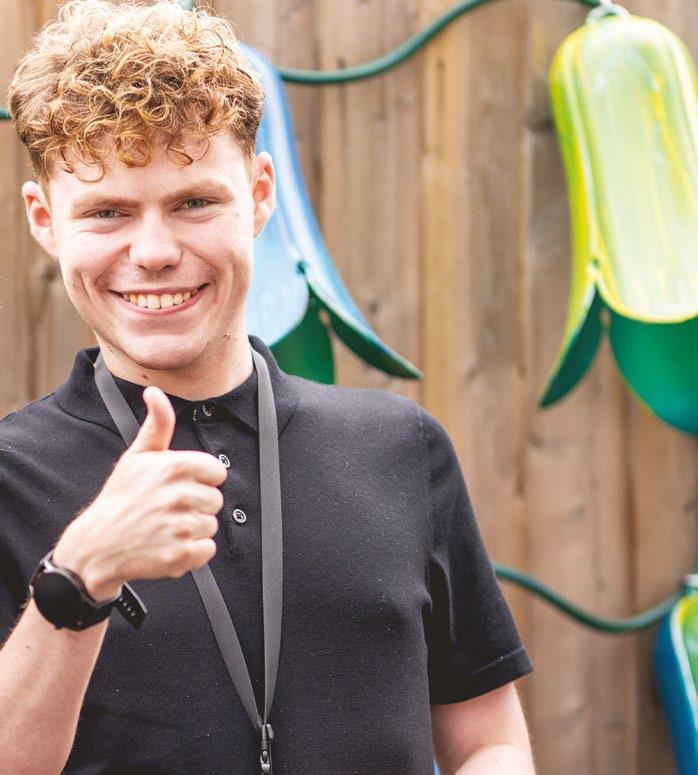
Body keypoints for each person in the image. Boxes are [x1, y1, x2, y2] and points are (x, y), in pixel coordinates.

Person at [0, 1, 535, 772]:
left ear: (258, 194)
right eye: (108, 211)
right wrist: (77, 578)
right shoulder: (9, 478)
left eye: (193, 202)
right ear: (45, 219)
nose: (153, 251)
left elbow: (489, 740)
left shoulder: (402, 448)